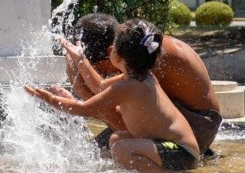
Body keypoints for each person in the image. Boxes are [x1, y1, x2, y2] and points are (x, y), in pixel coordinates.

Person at [25, 19, 200, 173]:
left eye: (113, 46)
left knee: (122, 148)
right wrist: (80, 59)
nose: (110, 49)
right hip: (176, 149)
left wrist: (46, 97)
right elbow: (100, 86)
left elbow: (84, 109)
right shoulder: (140, 76)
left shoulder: (129, 86)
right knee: (117, 138)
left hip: (181, 152)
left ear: (117, 55)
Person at [61, 13, 222, 155]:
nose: (101, 74)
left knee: (116, 143)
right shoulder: (139, 48)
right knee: (95, 152)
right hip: (185, 119)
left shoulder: (152, 57)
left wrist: (81, 89)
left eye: (97, 68)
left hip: (200, 126)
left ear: (112, 52)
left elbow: (101, 90)